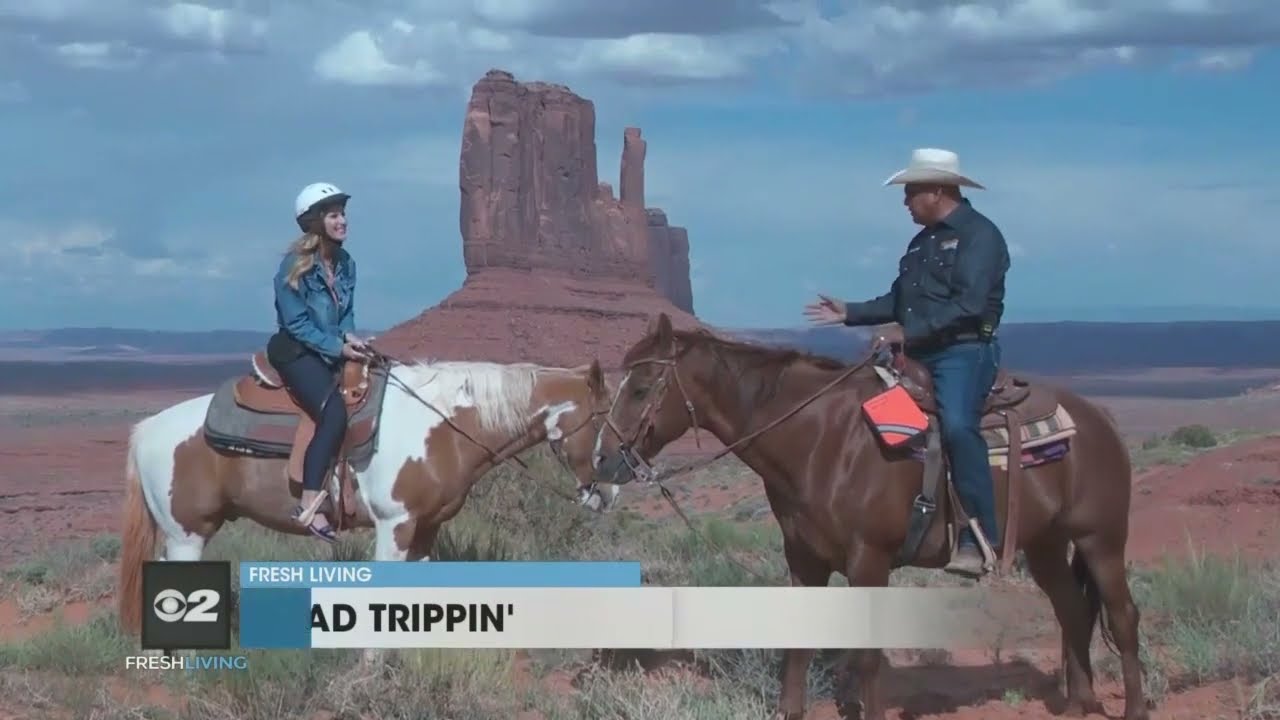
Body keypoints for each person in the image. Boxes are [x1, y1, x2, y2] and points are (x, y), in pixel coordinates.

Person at [803, 148, 1011, 578]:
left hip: (964, 352)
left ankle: (981, 533)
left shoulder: (980, 236)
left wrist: (905, 333)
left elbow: (970, 305)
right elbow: (899, 300)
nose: (905, 202)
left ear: (937, 190)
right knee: (866, 412)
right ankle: (892, 519)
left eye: (911, 192)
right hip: (919, 353)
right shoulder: (923, 240)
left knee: (956, 425)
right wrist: (851, 312)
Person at [267, 181, 372, 543]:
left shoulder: (346, 264)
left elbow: (345, 315)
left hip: (328, 346)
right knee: (334, 413)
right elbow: (296, 324)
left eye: (343, 214)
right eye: (333, 215)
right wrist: (337, 348)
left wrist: (351, 338)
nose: (343, 221)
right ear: (315, 222)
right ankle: (310, 502)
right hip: (295, 350)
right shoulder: (293, 267)